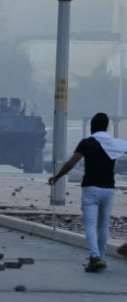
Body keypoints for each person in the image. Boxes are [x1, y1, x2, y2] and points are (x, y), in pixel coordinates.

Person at [48, 113, 127, 272]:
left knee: (90, 225)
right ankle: (101, 257)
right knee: (103, 226)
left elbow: (71, 163)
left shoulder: (87, 143)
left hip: (90, 189)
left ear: (92, 125)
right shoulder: (115, 144)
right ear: (107, 126)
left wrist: (57, 177)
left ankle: (95, 256)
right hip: (109, 190)